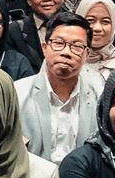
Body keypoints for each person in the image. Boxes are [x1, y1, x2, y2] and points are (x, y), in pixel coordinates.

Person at [16, 12, 102, 164]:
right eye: (58, 43)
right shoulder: (18, 93)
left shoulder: (99, 97)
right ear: (44, 47)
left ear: (87, 54)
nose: (66, 52)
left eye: (77, 46)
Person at [79, 0, 115, 76]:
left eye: (105, 21)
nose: (97, 28)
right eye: (90, 20)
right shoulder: (64, 62)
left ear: (114, 25)